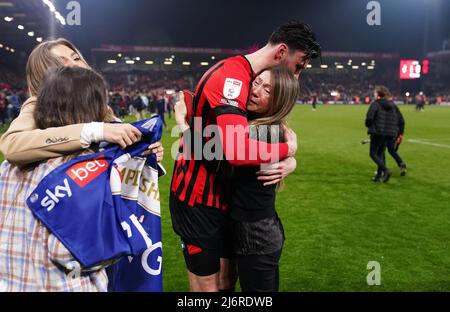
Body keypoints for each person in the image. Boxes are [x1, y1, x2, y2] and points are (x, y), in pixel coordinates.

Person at [170, 20, 321, 292]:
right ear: (282, 52)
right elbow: (237, 151)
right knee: (207, 286)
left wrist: (290, 160)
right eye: (298, 66)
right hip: (198, 198)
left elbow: (254, 131)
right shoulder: (234, 78)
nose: (296, 76)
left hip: (224, 199)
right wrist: (290, 150)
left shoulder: (246, 77)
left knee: (227, 280)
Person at [176, 66, 300, 291]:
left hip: (257, 237)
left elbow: (210, 155)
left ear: (279, 101)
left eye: (268, 91)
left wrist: (183, 125)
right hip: (237, 226)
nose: (255, 91)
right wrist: (291, 154)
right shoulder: (250, 122)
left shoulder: (264, 133)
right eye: (256, 82)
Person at [0, 67, 113, 291]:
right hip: (60, 284)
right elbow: (73, 255)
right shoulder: (84, 169)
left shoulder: (8, 166)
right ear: (91, 106)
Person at [0, 38, 163, 167]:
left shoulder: (101, 107)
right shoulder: (37, 105)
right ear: (44, 75)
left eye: (76, 58)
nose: (73, 64)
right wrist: (92, 131)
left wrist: (143, 152)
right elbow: (12, 146)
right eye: (61, 62)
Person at [365, 86, 400, 183]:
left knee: (373, 154)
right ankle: (378, 177)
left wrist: (369, 126)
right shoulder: (392, 105)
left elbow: (369, 118)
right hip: (389, 133)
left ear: (377, 94)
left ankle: (386, 170)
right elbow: (396, 119)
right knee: (380, 154)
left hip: (378, 132)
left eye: (375, 93)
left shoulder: (375, 104)